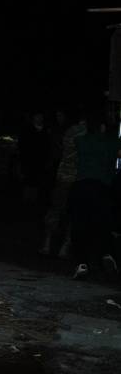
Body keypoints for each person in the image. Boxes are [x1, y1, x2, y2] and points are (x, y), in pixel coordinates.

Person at [69, 114, 121, 278]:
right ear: (103, 127)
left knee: (80, 224)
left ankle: (81, 263)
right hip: (103, 187)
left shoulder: (81, 141)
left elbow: (74, 141)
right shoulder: (112, 142)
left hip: (82, 185)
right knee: (103, 223)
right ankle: (106, 253)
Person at [40, 112, 87, 257]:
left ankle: (48, 244)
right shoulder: (86, 133)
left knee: (56, 209)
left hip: (63, 176)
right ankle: (64, 245)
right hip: (76, 177)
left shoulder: (69, 131)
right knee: (71, 213)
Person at [19, 112, 52, 207]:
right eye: (37, 117)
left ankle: (35, 203)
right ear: (33, 118)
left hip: (41, 161)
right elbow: (22, 147)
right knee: (28, 181)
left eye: (41, 117)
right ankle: (26, 202)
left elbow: (48, 146)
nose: (39, 118)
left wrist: (47, 159)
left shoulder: (46, 130)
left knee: (38, 182)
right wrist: (23, 161)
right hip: (29, 161)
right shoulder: (27, 130)